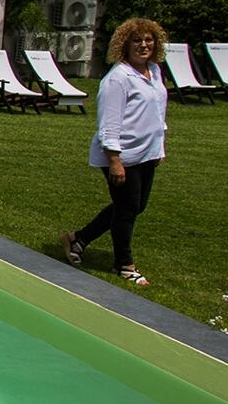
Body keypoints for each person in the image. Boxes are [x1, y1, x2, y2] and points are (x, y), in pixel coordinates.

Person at [63, 17, 169, 287]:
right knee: (127, 208)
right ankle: (124, 264)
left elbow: (158, 112)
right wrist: (114, 161)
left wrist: (159, 148)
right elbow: (108, 124)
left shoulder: (154, 72)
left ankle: (79, 238)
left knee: (135, 206)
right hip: (122, 155)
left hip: (146, 153)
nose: (143, 45)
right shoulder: (118, 78)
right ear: (125, 44)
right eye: (137, 40)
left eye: (148, 40)